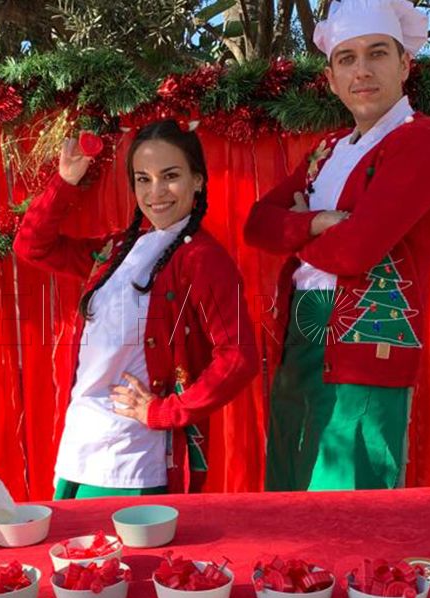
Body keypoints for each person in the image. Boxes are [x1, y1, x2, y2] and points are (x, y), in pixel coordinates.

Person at [244, 0, 430, 491]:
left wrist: (296, 229)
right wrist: (318, 221)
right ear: (332, 77)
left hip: (365, 341)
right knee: (290, 483)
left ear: (404, 64)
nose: (361, 70)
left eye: (377, 54)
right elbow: (257, 224)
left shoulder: (422, 141)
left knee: (347, 499)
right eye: (347, 58)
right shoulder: (327, 150)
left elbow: (355, 253)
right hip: (301, 338)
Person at [14, 120, 259, 499]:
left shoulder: (202, 259)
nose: (155, 191)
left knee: (113, 558)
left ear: (198, 180)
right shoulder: (119, 250)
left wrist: (166, 411)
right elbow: (33, 246)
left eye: (170, 176)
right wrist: (65, 182)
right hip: (79, 447)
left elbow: (238, 357)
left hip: (132, 459)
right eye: (143, 179)